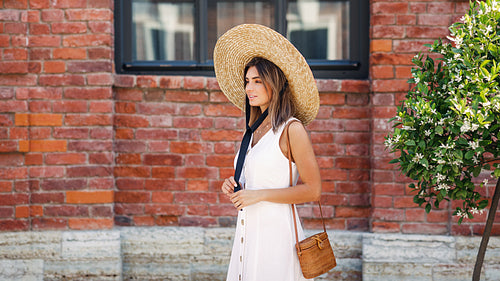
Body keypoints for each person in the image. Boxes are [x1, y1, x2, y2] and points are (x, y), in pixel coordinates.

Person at [213, 24, 322, 281]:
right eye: (247, 81)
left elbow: (313, 189)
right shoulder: (252, 131)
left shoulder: (291, 129)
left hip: (277, 238)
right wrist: (235, 185)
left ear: (274, 84)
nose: (249, 88)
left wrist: (258, 195)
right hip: (247, 233)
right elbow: (253, 182)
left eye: (258, 81)